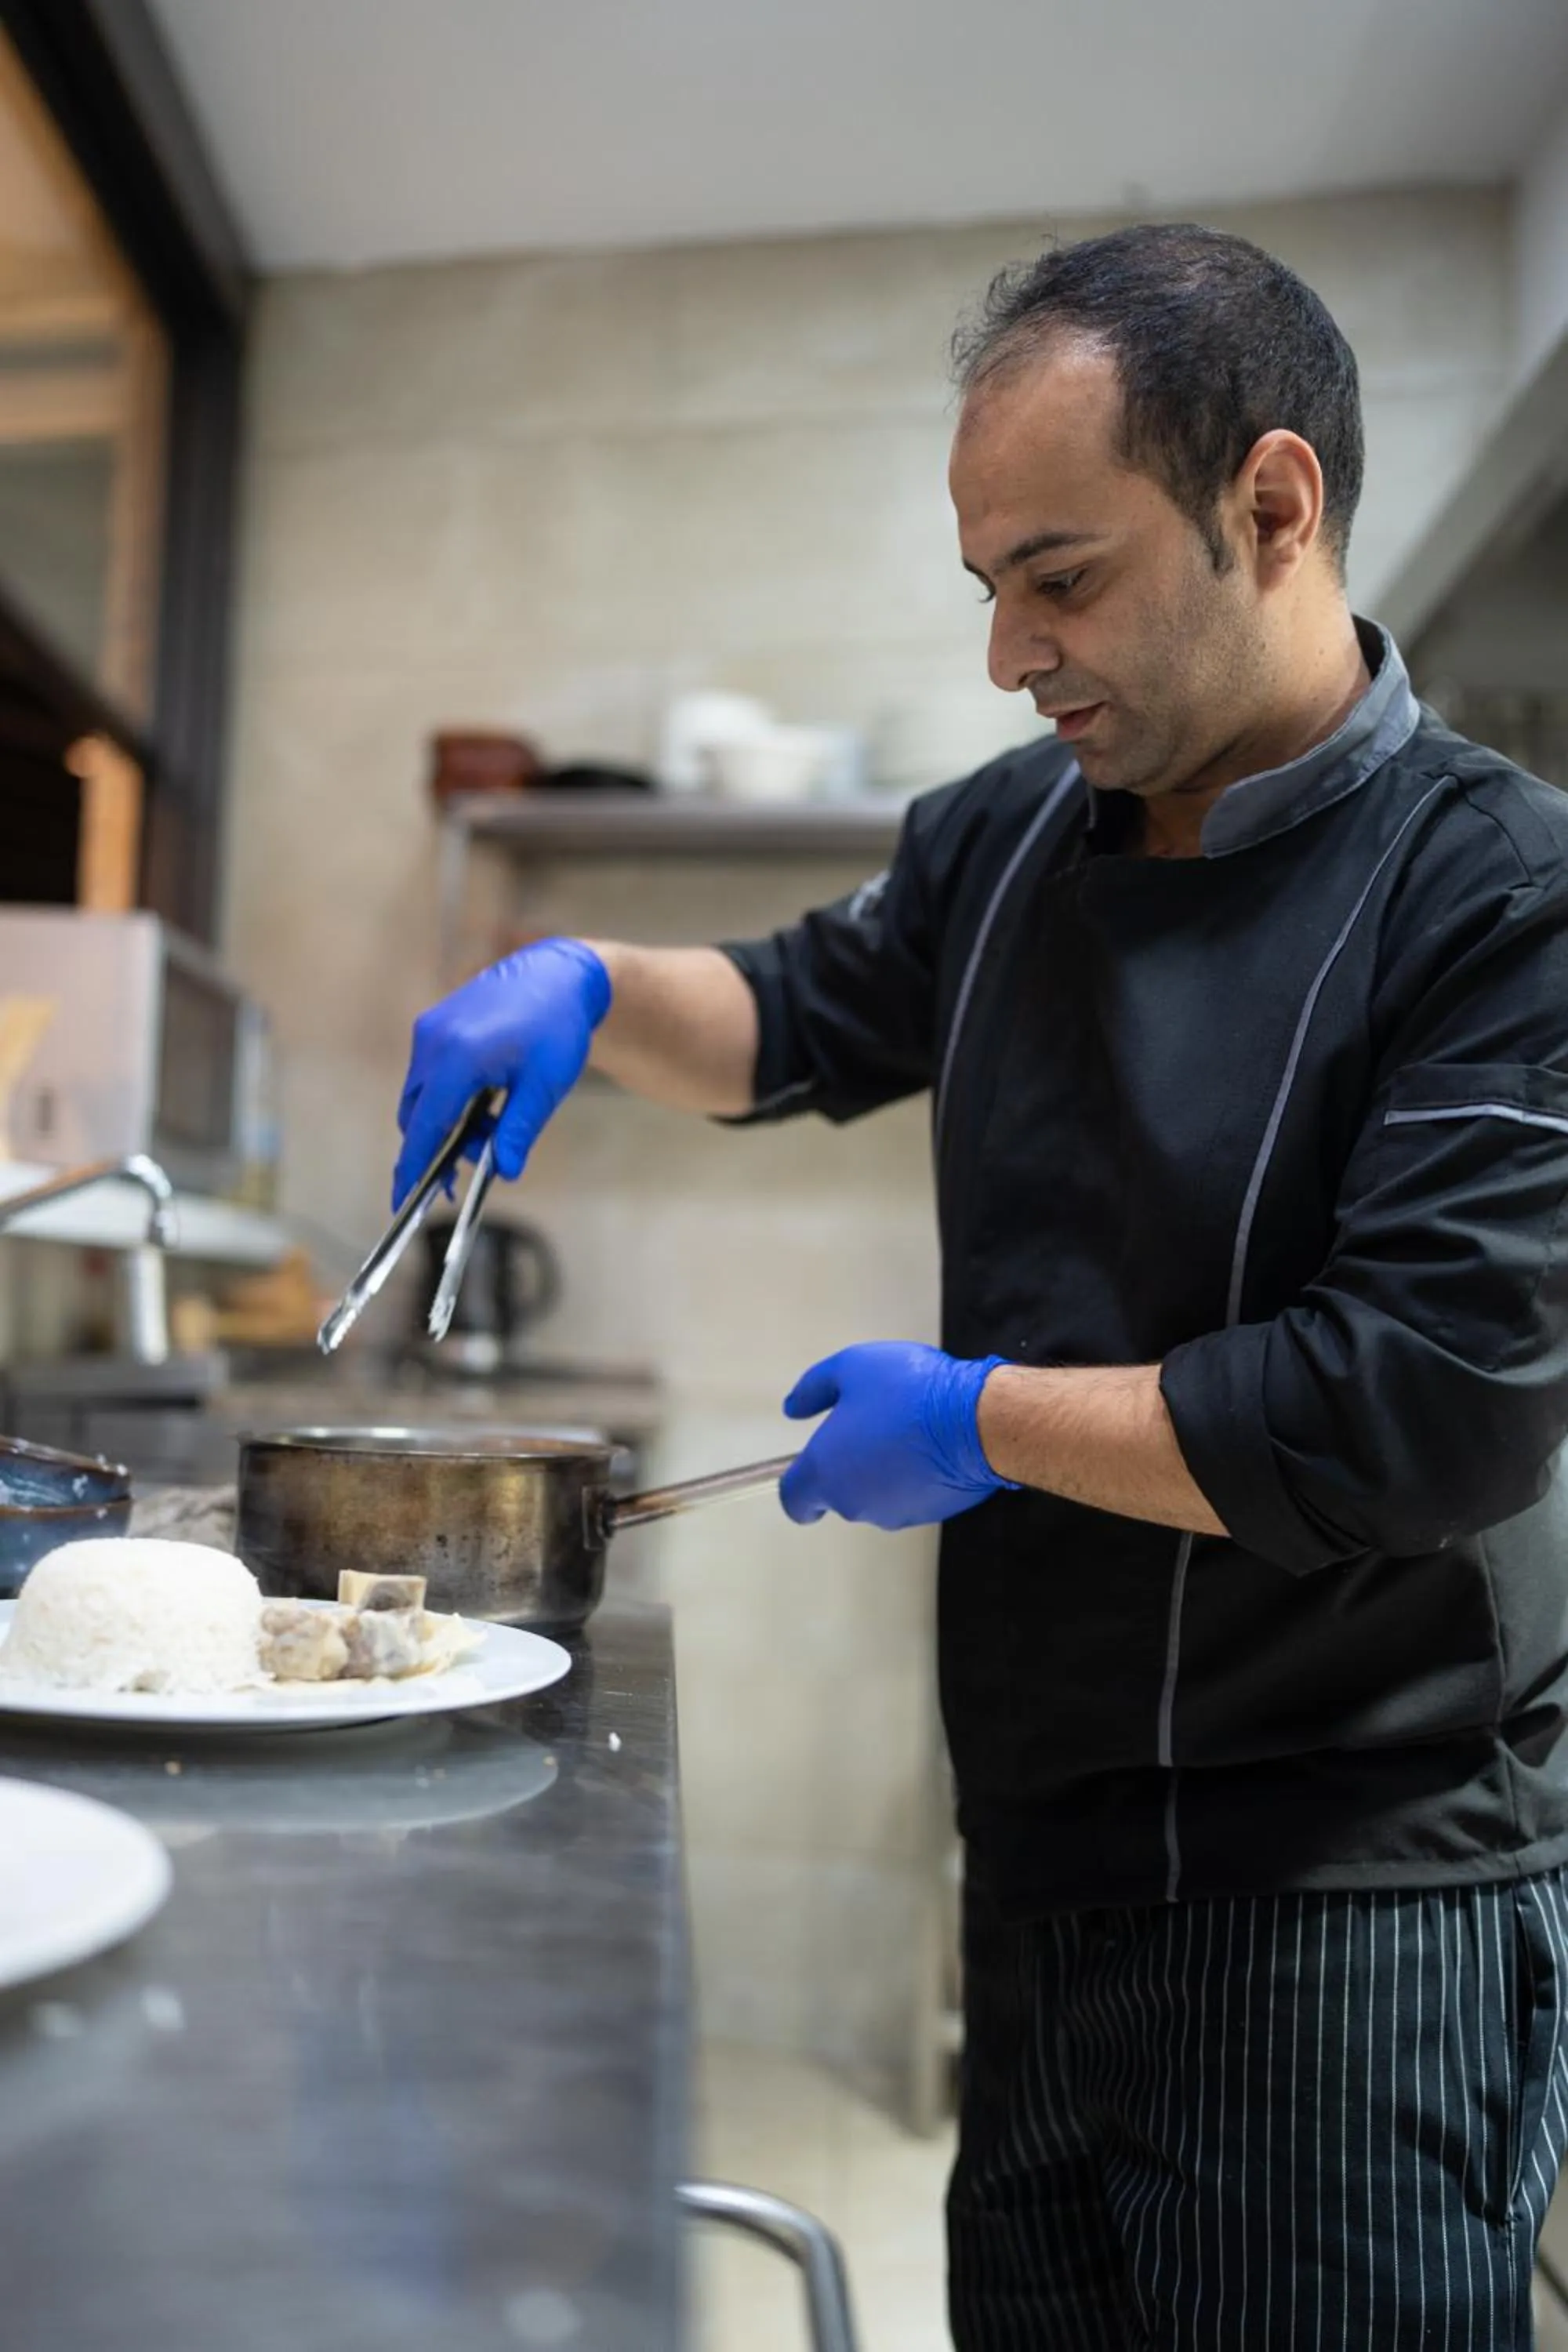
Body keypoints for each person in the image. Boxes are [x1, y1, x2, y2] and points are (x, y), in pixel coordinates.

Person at [392, 223, 1568, 2347]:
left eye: (1063, 576)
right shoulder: (1017, 837)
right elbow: (785, 1014)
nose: (1014, 652)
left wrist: (986, 1422)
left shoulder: (1497, 893)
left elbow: (1420, 1412)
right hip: (1039, 1863)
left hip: (1350, 1906)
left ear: (1271, 507)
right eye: (988, 588)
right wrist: (584, 985)